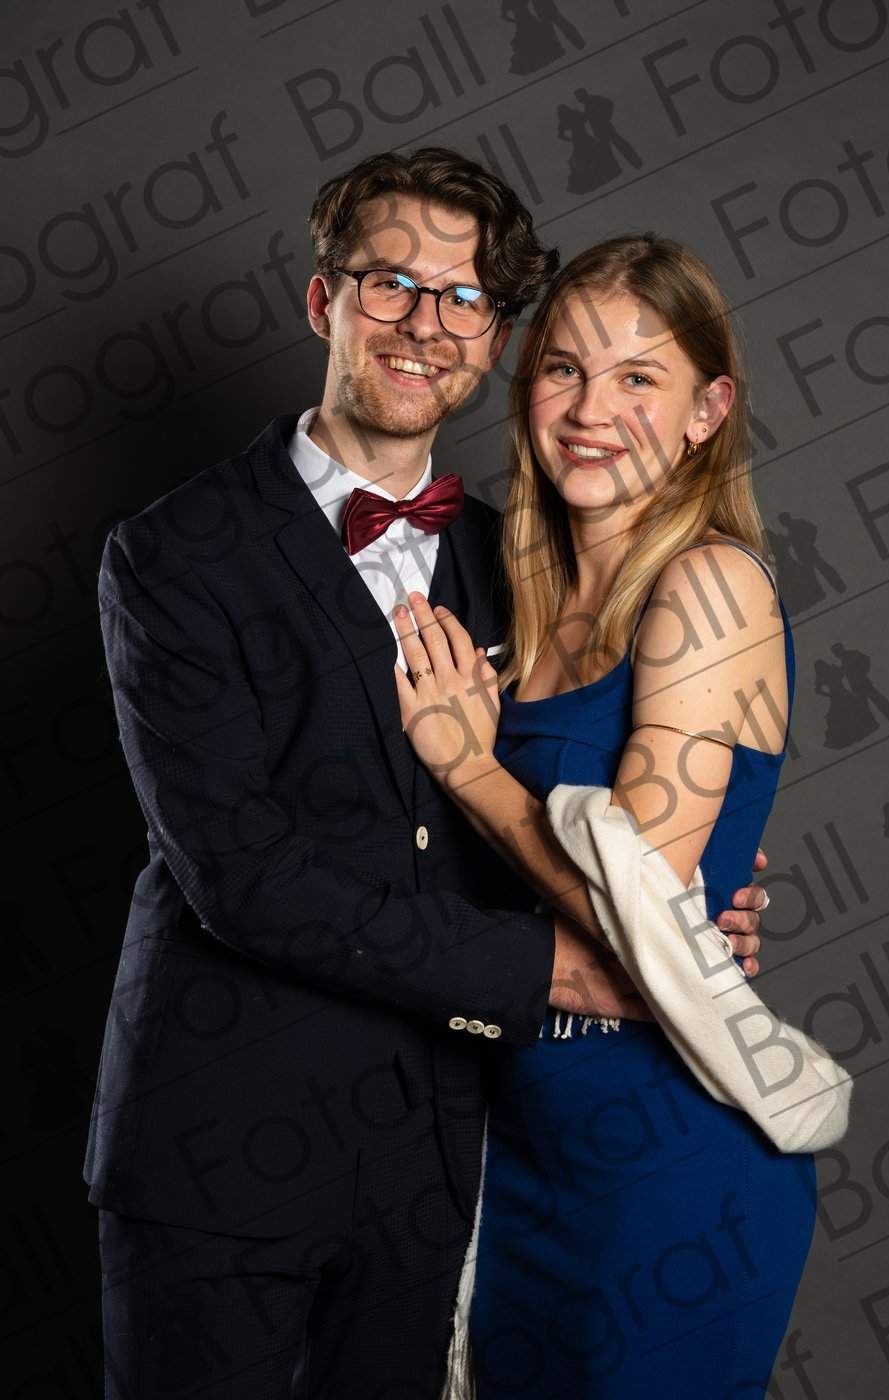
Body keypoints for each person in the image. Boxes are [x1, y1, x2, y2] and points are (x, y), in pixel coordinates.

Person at [85, 150, 767, 1399]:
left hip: (445, 1155)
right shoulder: (173, 552)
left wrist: (697, 898)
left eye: (463, 298)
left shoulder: (523, 562)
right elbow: (245, 879)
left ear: (494, 336)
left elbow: (584, 802)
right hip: (221, 1142)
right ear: (324, 300)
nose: (425, 324)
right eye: (391, 283)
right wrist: (573, 965)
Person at [394, 234, 820, 1398]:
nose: (591, 410)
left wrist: (469, 766)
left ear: (705, 413)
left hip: (664, 1164)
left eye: (639, 377)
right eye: (564, 368)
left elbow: (642, 903)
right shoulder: (512, 603)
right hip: (515, 1151)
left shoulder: (709, 584)